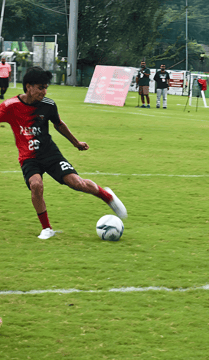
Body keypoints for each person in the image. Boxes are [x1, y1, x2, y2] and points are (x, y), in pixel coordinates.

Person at [0, 66, 127, 239]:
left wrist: (76, 143)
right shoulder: (10, 106)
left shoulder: (48, 105)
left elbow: (58, 124)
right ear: (28, 86)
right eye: (40, 87)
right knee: (36, 185)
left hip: (50, 154)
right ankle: (47, 228)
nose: (44, 91)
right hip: (28, 157)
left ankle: (107, 196)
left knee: (77, 183)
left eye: (46, 87)